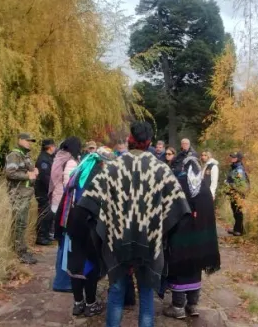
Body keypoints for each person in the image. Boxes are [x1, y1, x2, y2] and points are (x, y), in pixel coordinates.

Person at [74, 121, 191, 327]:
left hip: (117, 241)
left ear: (130, 139)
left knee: (116, 292)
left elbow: (88, 202)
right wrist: (162, 231)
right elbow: (179, 206)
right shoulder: (161, 169)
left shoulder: (113, 167)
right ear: (150, 142)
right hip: (149, 242)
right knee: (146, 295)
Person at [162, 152, 221, 319]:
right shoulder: (204, 187)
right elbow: (209, 216)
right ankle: (193, 304)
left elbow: (169, 210)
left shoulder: (178, 185)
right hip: (200, 237)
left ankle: (178, 306)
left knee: (179, 267)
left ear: (183, 168)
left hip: (180, 236)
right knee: (196, 266)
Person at [62, 146, 115, 318]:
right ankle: (91, 304)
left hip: (72, 221)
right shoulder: (100, 175)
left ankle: (78, 303)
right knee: (91, 263)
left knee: (75, 261)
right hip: (90, 223)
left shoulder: (80, 170)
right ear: (104, 162)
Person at [50, 137, 82, 292]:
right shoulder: (70, 162)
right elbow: (70, 187)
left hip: (58, 205)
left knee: (63, 245)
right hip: (65, 208)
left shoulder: (60, 157)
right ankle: (62, 282)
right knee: (66, 246)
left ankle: (61, 279)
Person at [5, 132, 39, 265]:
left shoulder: (25, 155)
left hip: (25, 194)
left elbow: (28, 171)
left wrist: (34, 172)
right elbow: (10, 173)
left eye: (31, 141)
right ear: (20, 140)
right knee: (19, 223)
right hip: (18, 194)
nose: (29, 143)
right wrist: (28, 175)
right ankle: (20, 252)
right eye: (27, 140)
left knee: (22, 223)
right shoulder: (15, 155)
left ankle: (21, 249)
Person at [35, 138, 57, 246]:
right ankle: (41, 236)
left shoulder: (49, 157)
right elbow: (45, 177)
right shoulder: (43, 159)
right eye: (54, 146)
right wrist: (53, 187)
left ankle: (46, 234)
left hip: (48, 191)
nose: (55, 148)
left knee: (49, 214)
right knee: (44, 213)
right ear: (50, 147)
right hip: (43, 190)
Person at [225, 151, 250, 236]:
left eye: (234, 157)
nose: (232, 158)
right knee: (235, 211)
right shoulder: (234, 167)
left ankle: (239, 231)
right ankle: (236, 229)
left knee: (238, 212)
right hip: (233, 193)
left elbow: (240, 184)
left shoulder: (239, 169)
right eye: (232, 157)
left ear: (238, 159)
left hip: (238, 194)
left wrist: (229, 184)